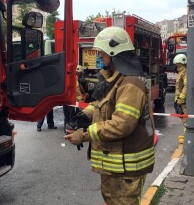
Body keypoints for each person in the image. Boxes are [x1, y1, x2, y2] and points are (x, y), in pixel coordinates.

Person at [64, 26, 155, 205]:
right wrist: (83, 115)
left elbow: (122, 124)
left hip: (128, 167)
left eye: (102, 53)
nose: (98, 57)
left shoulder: (130, 84)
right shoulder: (114, 79)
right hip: (117, 165)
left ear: (114, 52)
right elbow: (100, 104)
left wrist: (84, 135)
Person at [63, 65, 85, 131]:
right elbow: (77, 90)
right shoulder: (74, 77)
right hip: (71, 100)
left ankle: (66, 129)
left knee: (66, 115)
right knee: (72, 116)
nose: (80, 75)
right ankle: (70, 130)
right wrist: (81, 99)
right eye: (80, 73)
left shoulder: (66, 75)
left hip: (65, 99)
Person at [173, 54, 187, 144]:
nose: (177, 65)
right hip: (178, 98)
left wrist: (181, 97)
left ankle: (187, 134)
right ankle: (186, 133)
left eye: (178, 64)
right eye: (176, 64)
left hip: (182, 99)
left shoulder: (184, 72)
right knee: (182, 117)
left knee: (185, 117)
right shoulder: (180, 72)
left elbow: (187, 86)